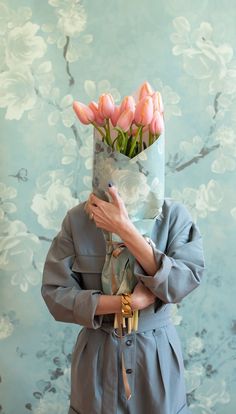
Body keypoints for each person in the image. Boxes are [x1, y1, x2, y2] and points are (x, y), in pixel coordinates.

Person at [41, 183, 205, 414]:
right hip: (97, 356)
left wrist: (124, 229)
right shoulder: (77, 219)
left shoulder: (173, 215)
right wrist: (129, 303)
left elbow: (180, 284)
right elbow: (55, 295)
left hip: (156, 357)